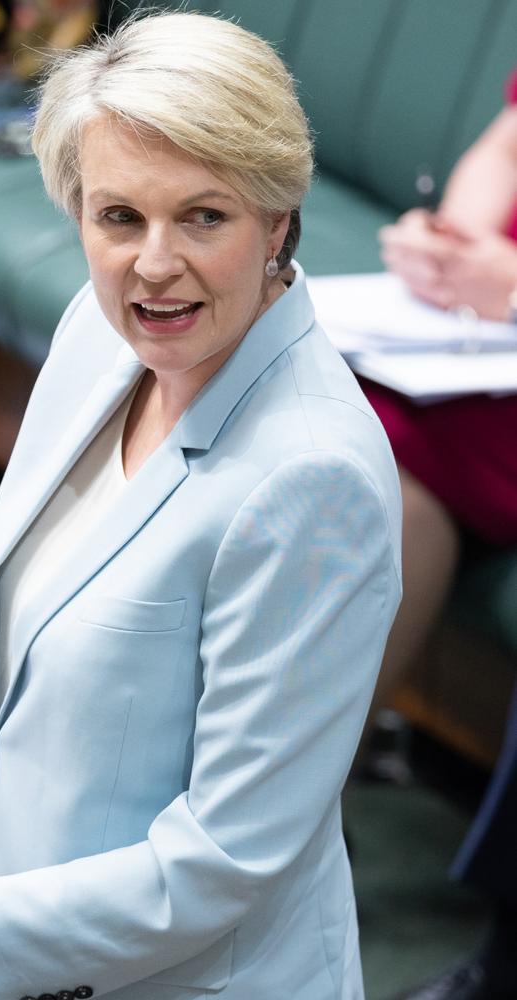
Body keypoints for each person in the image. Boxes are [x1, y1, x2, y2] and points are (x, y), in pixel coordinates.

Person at [0, 12, 402, 1000]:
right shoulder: (101, 332)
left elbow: (222, 860)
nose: (153, 263)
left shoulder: (311, 482)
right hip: (36, 955)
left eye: (203, 216)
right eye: (119, 217)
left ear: (278, 219)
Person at [358, 71, 517, 1000]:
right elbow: (506, 143)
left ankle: (263, 815)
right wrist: (457, 246)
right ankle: (269, 793)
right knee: (343, 445)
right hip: (486, 339)